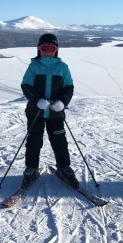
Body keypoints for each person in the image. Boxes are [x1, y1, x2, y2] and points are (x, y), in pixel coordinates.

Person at [20, 33, 79, 189]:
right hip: (35, 112)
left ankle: (64, 167)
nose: (47, 51)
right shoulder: (34, 66)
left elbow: (69, 87)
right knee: (34, 141)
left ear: (56, 50)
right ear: (39, 49)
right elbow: (26, 86)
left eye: (51, 48)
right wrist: (36, 100)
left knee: (59, 142)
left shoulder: (63, 67)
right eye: (44, 48)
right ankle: (31, 168)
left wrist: (62, 102)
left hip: (55, 113)